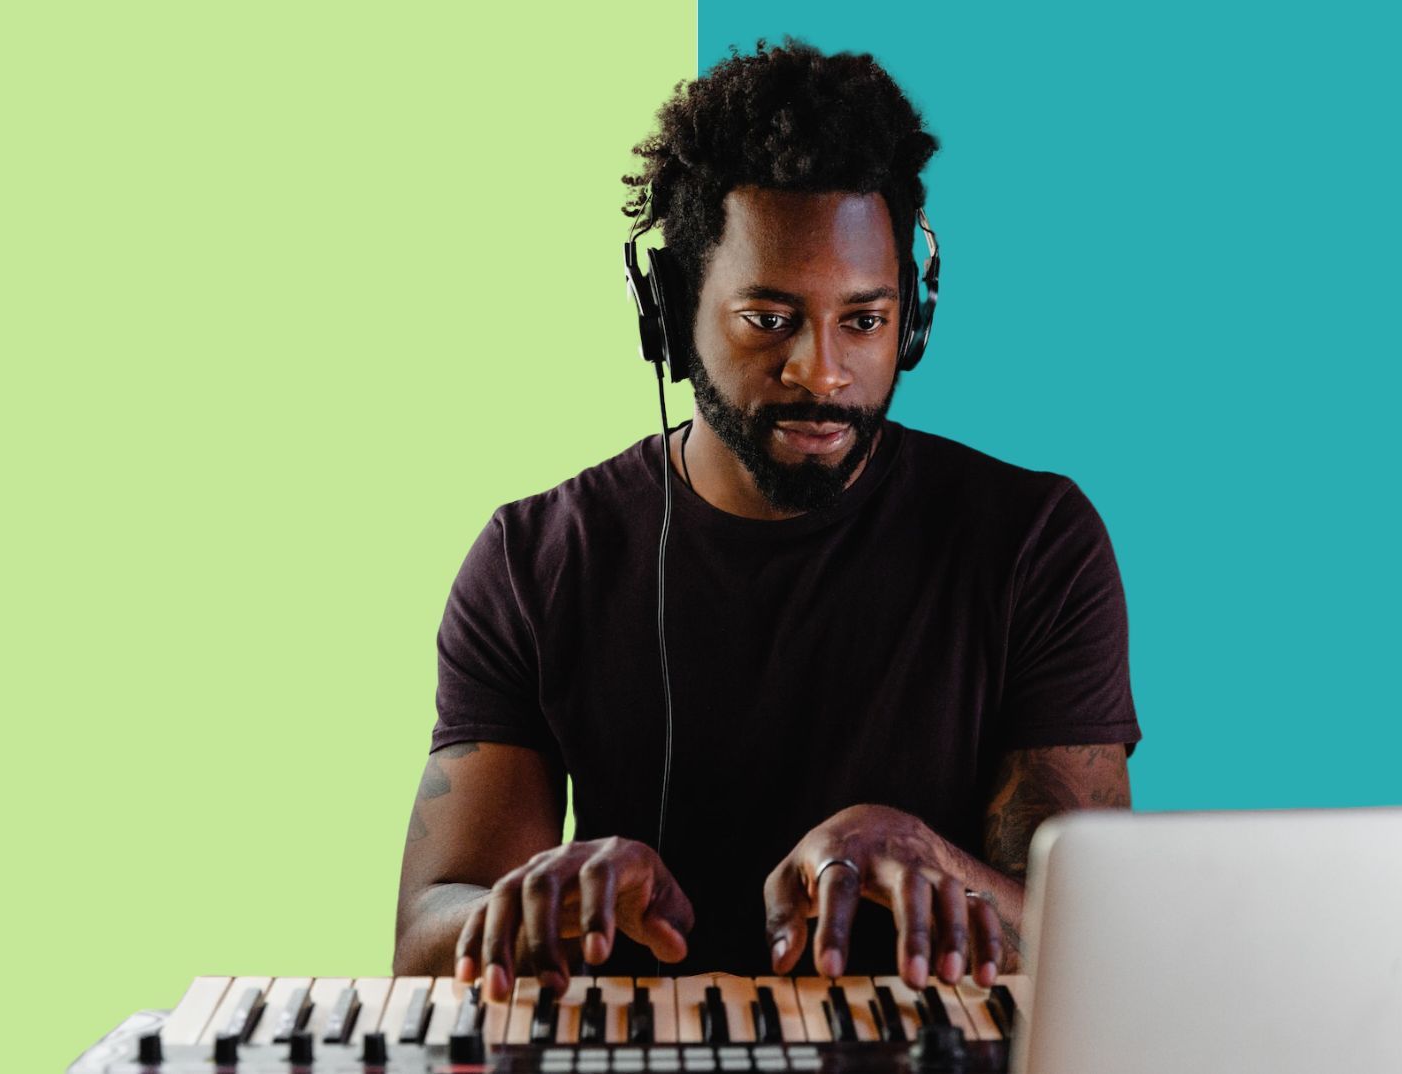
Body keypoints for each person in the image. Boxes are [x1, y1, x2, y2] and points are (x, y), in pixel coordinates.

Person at [393, 40, 1139, 1003]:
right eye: (769, 320)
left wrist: (928, 858)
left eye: (863, 321)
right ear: (670, 314)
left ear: (912, 319)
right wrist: (529, 904)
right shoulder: (535, 560)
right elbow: (424, 938)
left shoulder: (1036, 543)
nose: (822, 373)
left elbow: (1103, 938)